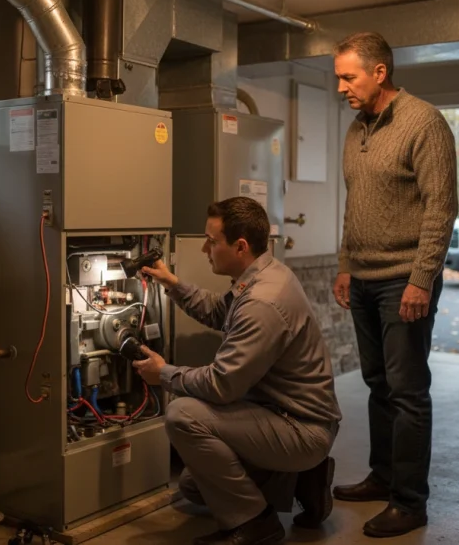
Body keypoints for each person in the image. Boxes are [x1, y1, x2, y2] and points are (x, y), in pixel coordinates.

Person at [132, 196, 342, 545]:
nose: (205, 249)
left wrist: (164, 373)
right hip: (281, 413)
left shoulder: (263, 301)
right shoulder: (265, 273)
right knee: (194, 486)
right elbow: (220, 312)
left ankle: (255, 523)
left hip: (301, 427)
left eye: (211, 241)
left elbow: (222, 385)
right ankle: (303, 480)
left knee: (183, 415)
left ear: (240, 246)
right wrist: (171, 283)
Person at [330, 31, 458, 538]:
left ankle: (409, 502)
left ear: (379, 72)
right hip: (363, 278)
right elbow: (355, 204)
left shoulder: (423, 122)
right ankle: (382, 477)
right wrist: (346, 263)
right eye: (339, 77)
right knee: (378, 386)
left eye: (348, 77)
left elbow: (440, 209)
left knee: (407, 393)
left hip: (404, 280)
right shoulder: (356, 129)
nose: (341, 87)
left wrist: (421, 280)